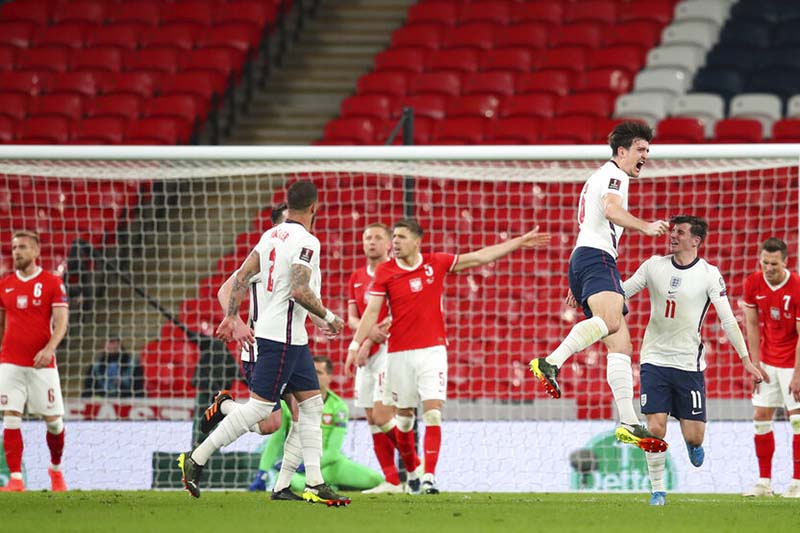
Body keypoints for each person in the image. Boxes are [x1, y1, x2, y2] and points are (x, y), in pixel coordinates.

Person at [178, 181, 351, 506]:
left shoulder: (269, 237)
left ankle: (313, 483)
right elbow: (299, 290)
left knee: (312, 405)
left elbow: (242, 276)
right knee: (261, 411)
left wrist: (231, 317)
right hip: (277, 338)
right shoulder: (307, 241)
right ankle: (196, 458)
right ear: (314, 206)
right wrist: (329, 318)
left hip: (293, 339)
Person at [348, 219, 550, 494]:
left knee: (432, 414)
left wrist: (517, 242)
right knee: (404, 421)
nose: (395, 242)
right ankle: (413, 470)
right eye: (393, 237)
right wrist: (354, 345)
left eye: (401, 237)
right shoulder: (386, 271)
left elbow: (480, 257)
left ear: (417, 241)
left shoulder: (436, 263)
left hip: (432, 350)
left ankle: (429, 477)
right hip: (398, 354)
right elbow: (371, 312)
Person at [528, 121, 671, 453]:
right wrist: (645, 226)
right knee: (610, 322)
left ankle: (628, 422)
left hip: (587, 259)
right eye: (640, 149)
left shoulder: (602, 175)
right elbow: (610, 209)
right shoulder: (614, 175)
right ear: (622, 152)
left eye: (647, 150)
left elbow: (592, 221)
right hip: (596, 258)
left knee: (621, 345)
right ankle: (551, 362)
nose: (645, 156)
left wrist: (578, 278)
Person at [621, 215, 763, 506]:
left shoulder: (709, 274)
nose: (673, 236)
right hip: (654, 359)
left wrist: (746, 360)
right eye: (672, 231)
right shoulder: (653, 266)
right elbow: (622, 291)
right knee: (656, 427)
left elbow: (727, 319)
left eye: (680, 232)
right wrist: (588, 293)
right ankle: (658, 490)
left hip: (688, 365)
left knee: (695, 437)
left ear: (696, 240)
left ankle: (692, 444)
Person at [197, 202, 295, 446]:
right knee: (270, 424)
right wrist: (237, 322)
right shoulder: (263, 258)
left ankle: (303, 479)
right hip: (261, 350)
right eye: (287, 224)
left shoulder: (301, 259)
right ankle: (225, 406)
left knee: (305, 409)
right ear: (275, 229)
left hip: (291, 347)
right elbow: (225, 290)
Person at [0, 230, 68, 492]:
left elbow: (61, 322)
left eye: (23, 247)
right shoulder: (5, 284)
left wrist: (50, 349)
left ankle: (55, 470)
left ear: (37, 252)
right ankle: (16, 479)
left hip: (42, 363)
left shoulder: (52, 283)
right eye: (15, 247)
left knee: (53, 422)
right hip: (10, 362)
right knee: (11, 417)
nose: (17, 252)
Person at [255, 355, 383, 492]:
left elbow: (333, 452)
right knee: (293, 484)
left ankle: (328, 485)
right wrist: (262, 472)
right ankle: (329, 487)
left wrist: (309, 465)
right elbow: (275, 441)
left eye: (319, 373)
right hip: (297, 467)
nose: (314, 376)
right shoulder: (289, 404)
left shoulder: (338, 407)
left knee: (376, 480)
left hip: (329, 465)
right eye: (311, 372)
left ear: (329, 377)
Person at [344, 223, 403, 494]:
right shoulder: (356, 276)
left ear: (389, 244)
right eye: (367, 237)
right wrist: (365, 338)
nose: (372, 242)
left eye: (378, 238)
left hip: (390, 350)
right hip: (366, 352)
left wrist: (367, 341)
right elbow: (353, 317)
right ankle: (392, 480)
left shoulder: (395, 272)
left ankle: (414, 462)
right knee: (370, 417)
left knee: (382, 415)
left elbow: (396, 315)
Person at [742, 237, 800, 498]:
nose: (768, 267)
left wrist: (798, 373)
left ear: (785, 262)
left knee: (797, 421)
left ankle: (797, 482)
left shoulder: (797, 286)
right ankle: (764, 482)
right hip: (767, 360)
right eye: (764, 262)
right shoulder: (753, 283)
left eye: (774, 263)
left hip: (793, 361)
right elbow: (752, 325)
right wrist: (754, 363)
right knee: (761, 418)